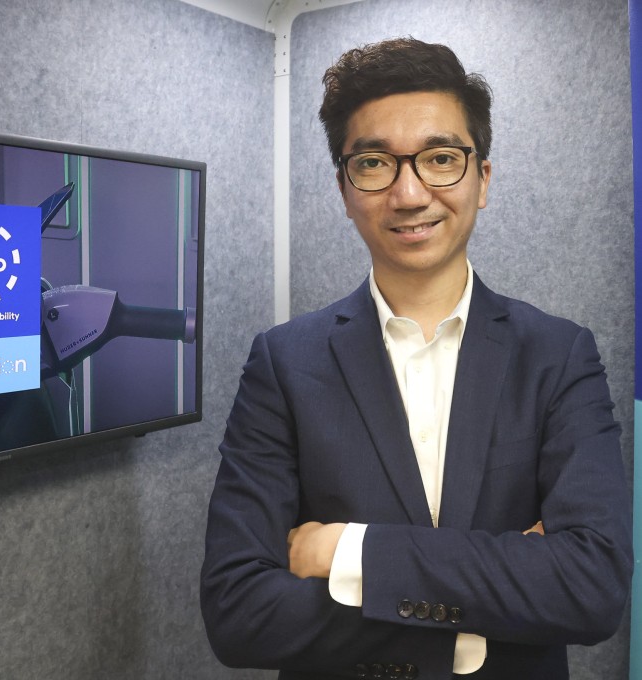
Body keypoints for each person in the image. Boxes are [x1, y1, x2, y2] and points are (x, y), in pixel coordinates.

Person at [200, 38, 632, 680]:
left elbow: (591, 589)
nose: (409, 193)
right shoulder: (285, 364)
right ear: (345, 188)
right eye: (374, 163)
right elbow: (238, 613)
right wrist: (497, 586)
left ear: (482, 179)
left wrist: (348, 551)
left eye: (440, 159)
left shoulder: (557, 356)